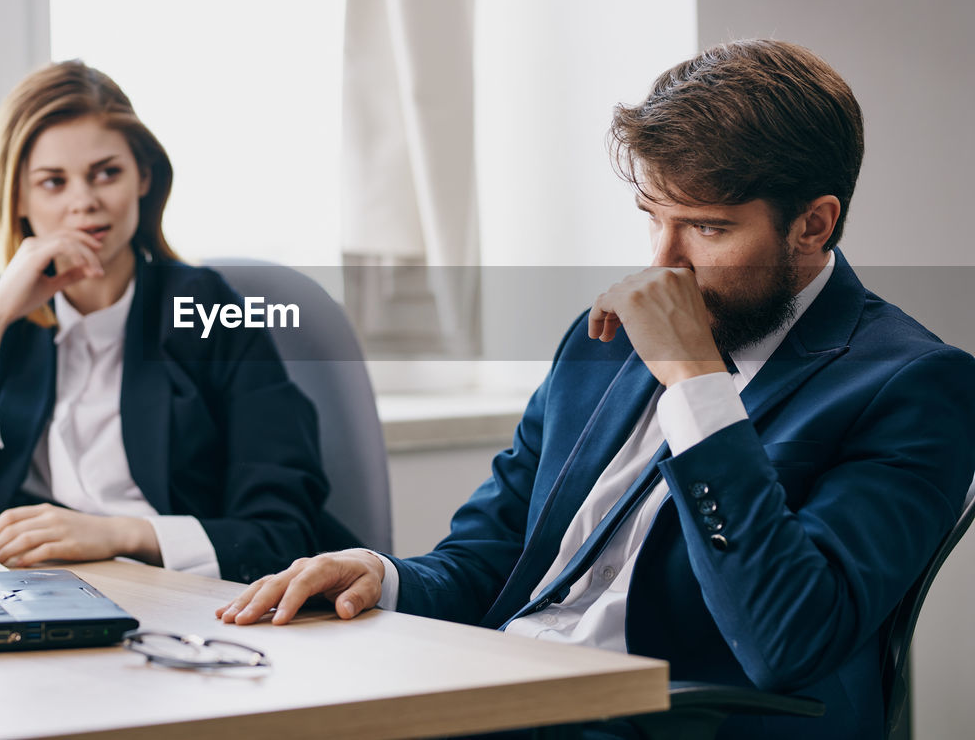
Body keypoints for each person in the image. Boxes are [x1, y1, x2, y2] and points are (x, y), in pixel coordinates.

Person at [216, 40, 975, 739]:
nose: (664, 263)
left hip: (666, 720)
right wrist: (382, 578)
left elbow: (788, 638)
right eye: (653, 217)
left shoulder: (911, 386)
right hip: (507, 693)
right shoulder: (602, 339)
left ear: (813, 225)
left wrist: (695, 383)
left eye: (707, 230)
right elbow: (495, 555)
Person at [0, 60, 346, 584]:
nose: (84, 201)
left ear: (144, 178)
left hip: (185, 599)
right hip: (39, 599)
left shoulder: (207, 308)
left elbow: (283, 530)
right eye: (53, 182)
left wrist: (121, 534)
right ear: (18, 197)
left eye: (106, 173)